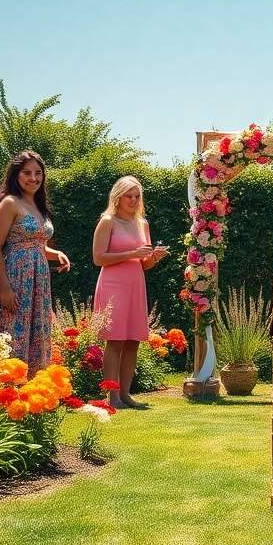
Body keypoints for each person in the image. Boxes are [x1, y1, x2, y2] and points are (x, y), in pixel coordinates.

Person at [0, 150, 70, 374]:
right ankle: (7, 391)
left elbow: (37, 245)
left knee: (37, 332)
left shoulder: (38, 205)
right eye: (27, 173)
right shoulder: (9, 204)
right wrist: (5, 287)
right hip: (15, 278)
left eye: (38, 173)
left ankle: (34, 391)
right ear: (16, 175)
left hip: (39, 281)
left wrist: (56, 254)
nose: (33, 178)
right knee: (14, 332)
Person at [93, 175, 167, 409]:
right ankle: (112, 397)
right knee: (115, 341)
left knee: (133, 341)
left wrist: (153, 258)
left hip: (135, 284)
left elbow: (143, 263)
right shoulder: (107, 221)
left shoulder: (142, 223)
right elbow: (98, 258)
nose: (134, 200)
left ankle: (125, 395)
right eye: (129, 196)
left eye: (137, 196)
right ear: (118, 196)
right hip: (113, 284)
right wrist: (132, 254)